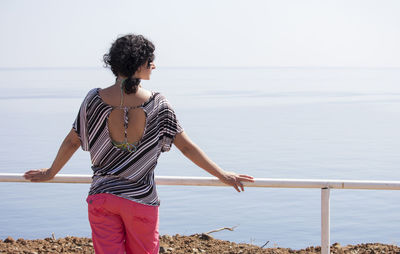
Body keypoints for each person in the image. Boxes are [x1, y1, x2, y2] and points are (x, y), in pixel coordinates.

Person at [24, 34, 255, 254]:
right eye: (149, 60)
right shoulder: (158, 104)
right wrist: (222, 174)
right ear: (137, 65)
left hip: (102, 198)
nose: (153, 65)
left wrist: (50, 172)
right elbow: (186, 147)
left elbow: (71, 141)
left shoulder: (93, 99)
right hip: (141, 201)